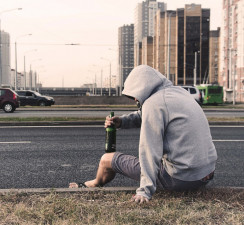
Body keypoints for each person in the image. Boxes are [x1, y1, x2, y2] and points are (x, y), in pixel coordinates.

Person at [69, 65, 217, 204]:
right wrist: (122, 121)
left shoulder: (154, 104)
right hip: (206, 174)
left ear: (143, 88)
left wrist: (145, 191)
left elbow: (149, 150)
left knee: (106, 159)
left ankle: (93, 184)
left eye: (135, 93)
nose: (135, 99)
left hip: (181, 179)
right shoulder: (179, 93)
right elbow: (145, 114)